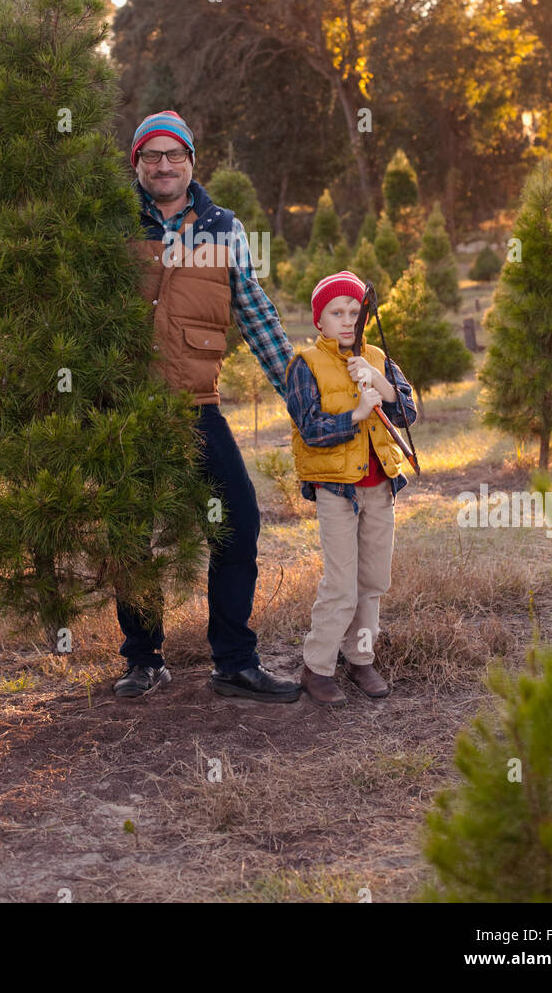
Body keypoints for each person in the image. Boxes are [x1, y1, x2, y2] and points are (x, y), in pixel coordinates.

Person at [114, 109, 300, 703]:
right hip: (127, 408)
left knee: (238, 519)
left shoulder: (223, 228)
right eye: (151, 156)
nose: (163, 166)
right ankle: (144, 660)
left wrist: (300, 397)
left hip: (195, 405)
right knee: (128, 531)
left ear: (192, 162)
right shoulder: (112, 225)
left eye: (174, 155)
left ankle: (234, 661)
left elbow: (255, 310)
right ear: (137, 164)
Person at [285, 270, 417, 706]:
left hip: (380, 488)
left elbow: (408, 412)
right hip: (337, 491)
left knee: (373, 579)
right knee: (342, 584)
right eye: (335, 312)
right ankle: (317, 667)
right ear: (319, 321)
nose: (346, 321)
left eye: (354, 312)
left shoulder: (377, 356)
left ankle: (360, 658)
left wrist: (378, 383)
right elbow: (310, 430)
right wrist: (358, 413)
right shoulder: (307, 365)